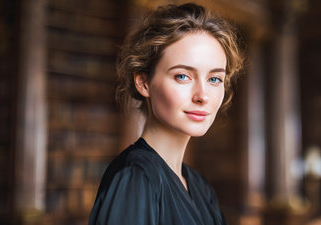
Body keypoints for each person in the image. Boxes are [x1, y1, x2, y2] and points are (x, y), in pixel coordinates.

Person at [88, 3, 243, 225]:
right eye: (183, 76)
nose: (203, 96)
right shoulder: (136, 178)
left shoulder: (199, 186)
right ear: (144, 83)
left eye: (214, 79)